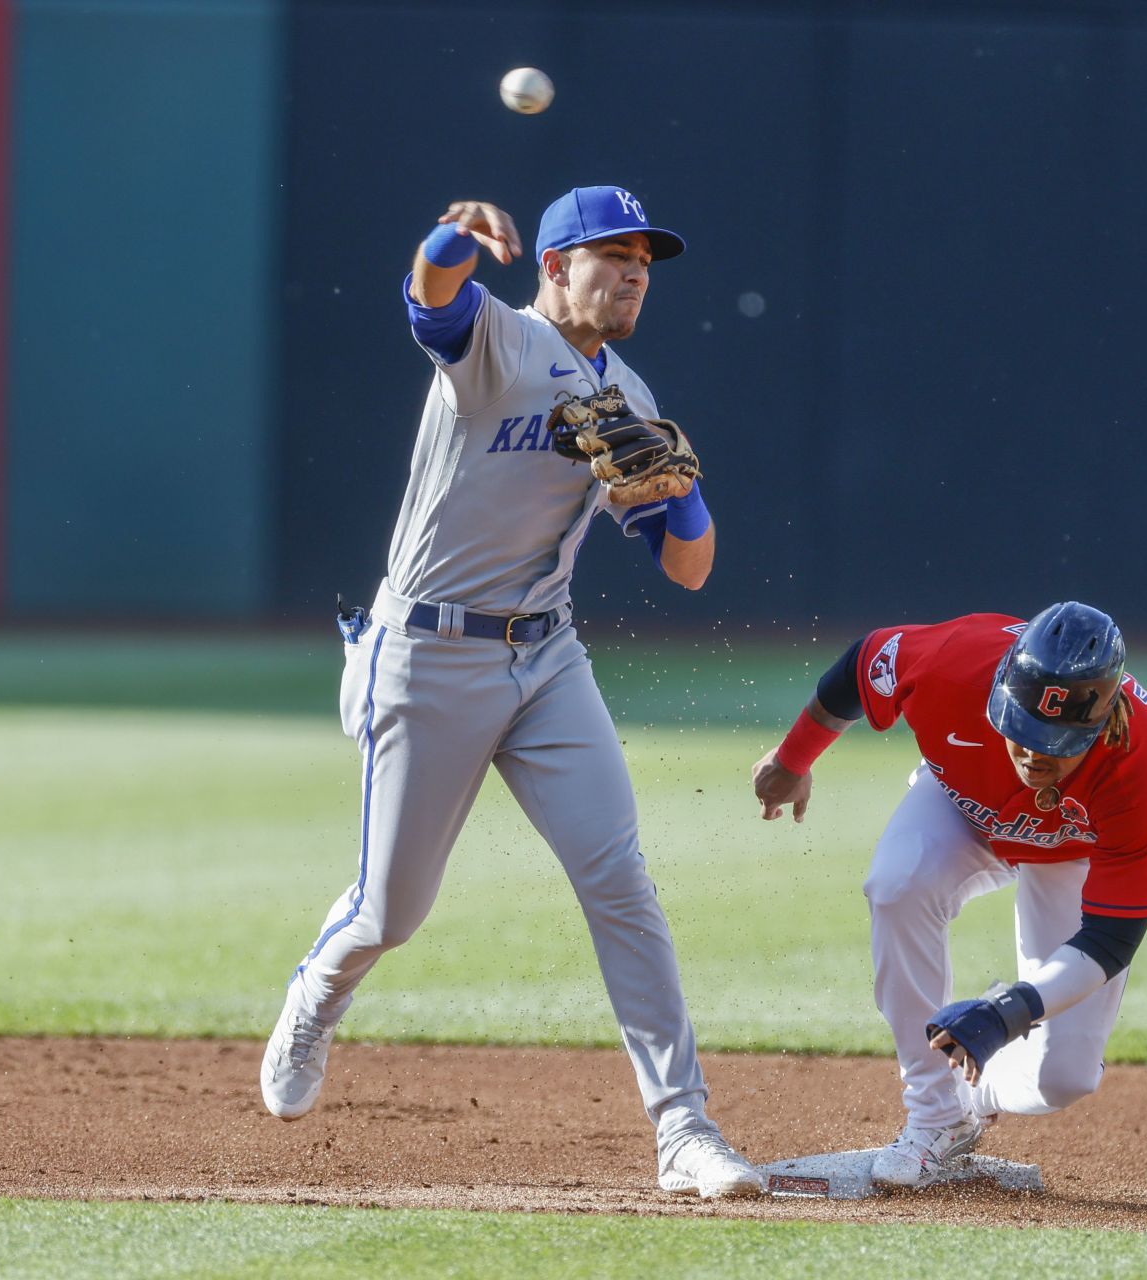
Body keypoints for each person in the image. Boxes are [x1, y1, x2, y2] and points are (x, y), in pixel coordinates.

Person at [261, 186, 764, 1199]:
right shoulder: (499, 340)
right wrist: (451, 238)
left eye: (645, 261)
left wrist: (683, 489)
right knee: (389, 912)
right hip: (429, 652)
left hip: (546, 659)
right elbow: (429, 297)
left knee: (620, 879)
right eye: (611, 254)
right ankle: (316, 992)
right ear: (554, 266)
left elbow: (693, 568)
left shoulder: (624, 391)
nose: (633, 273)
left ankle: (685, 1131)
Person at [751, 602, 1147, 1189]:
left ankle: (978, 1097)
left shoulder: (1143, 757)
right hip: (962, 806)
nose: (1033, 753)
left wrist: (1011, 1012)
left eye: (1057, 742)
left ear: (1105, 722)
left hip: (1069, 854)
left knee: (1065, 1079)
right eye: (1021, 727)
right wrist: (792, 758)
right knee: (897, 883)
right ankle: (938, 1117)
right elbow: (861, 665)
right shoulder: (955, 661)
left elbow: (1110, 938)